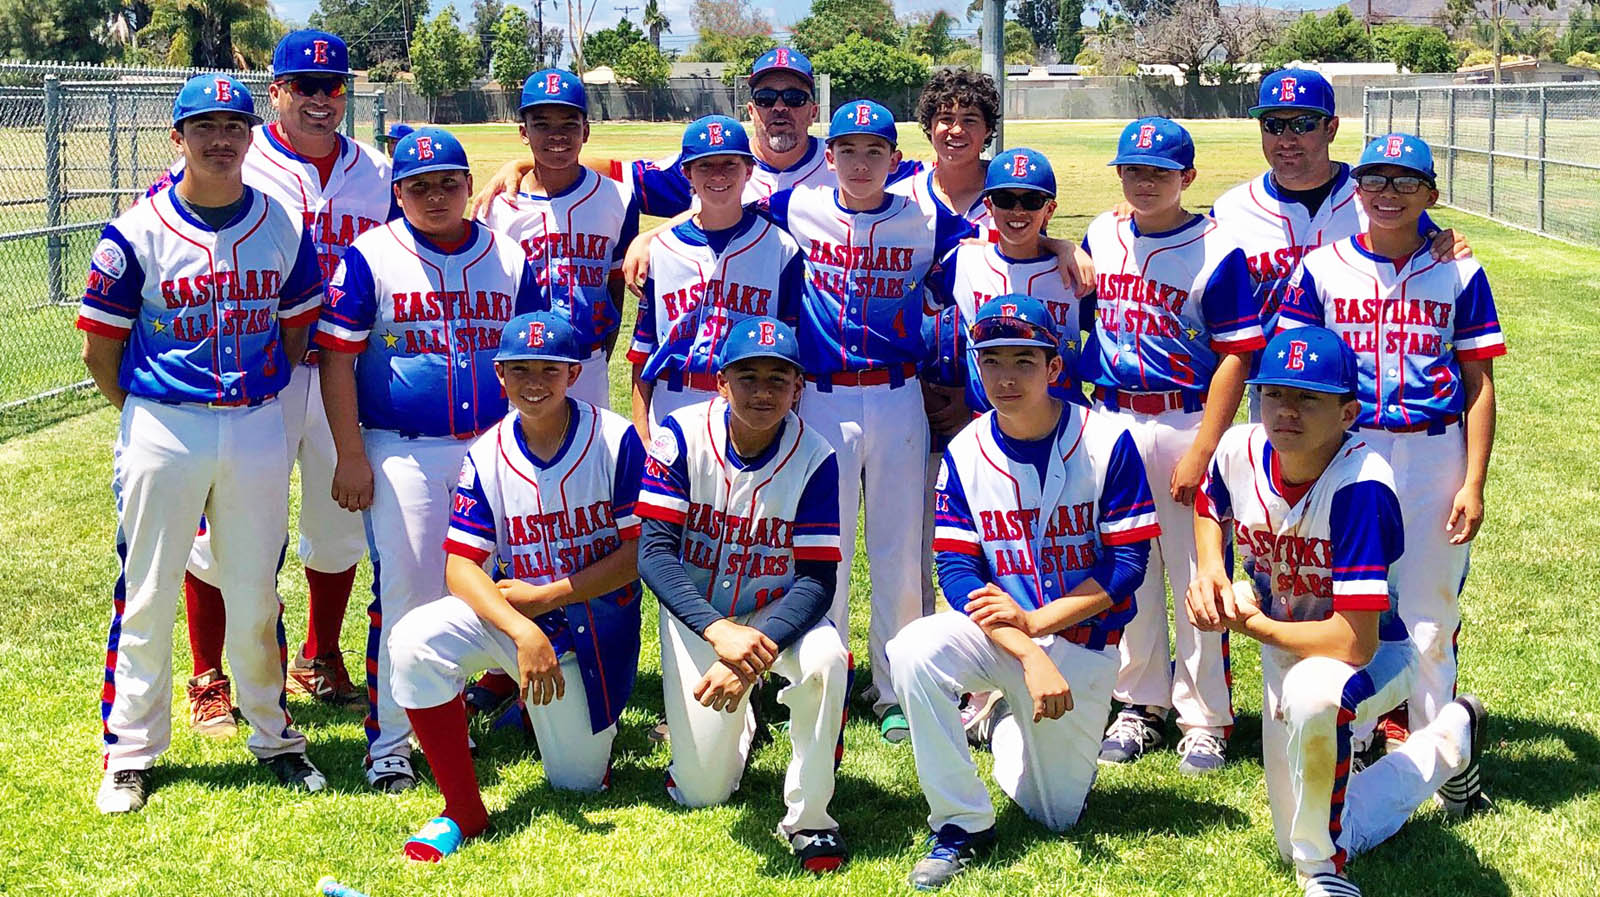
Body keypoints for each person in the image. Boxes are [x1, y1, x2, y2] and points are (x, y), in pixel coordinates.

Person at [78, 74, 329, 812]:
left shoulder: (282, 223)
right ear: (177, 136)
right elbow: (99, 348)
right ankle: (130, 752)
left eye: (234, 126)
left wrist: (252, 399)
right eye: (205, 127)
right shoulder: (137, 231)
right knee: (148, 592)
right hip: (165, 419)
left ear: (251, 135)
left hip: (253, 420)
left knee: (255, 592)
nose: (221, 140)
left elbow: (295, 329)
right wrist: (150, 415)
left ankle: (275, 734)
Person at [1188, 325, 1492, 897]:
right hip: (1288, 638)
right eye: (1274, 393)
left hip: (1373, 655)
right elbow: (1210, 499)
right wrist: (1210, 568)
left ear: (1348, 412)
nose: (1287, 410)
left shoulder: (1362, 484)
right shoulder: (1240, 448)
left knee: (1315, 698)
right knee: (1303, 827)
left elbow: (1354, 642)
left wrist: (1251, 623)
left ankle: (1323, 870)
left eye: (1309, 397)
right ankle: (1450, 741)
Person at [152, 30, 394, 731]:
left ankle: (319, 655)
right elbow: (162, 219)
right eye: (304, 86)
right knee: (222, 527)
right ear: (277, 92)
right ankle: (208, 675)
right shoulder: (239, 157)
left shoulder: (377, 172)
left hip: (344, 369)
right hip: (259, 370)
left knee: (340, 521)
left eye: (333, 86)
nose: (320, 99)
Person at [888, 296, 1158, 890]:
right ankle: (960, 822)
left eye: (1024, 361)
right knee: (912, 649)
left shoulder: (1107, 440)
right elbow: (956, 572)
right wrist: (1029, 649)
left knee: (1054, 814)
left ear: (1054, 367)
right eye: (992, 361)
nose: (1006, 378)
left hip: (1080, 642)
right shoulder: (965, 451)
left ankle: (999, 723)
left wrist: (1039, 625)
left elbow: (1127, 565)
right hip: (1001, 639)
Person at [315, 127, 540, 792]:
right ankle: (390, 740)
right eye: (418, 186)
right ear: (398, 192)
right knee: (408, 592)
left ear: (469, 185)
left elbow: (536, 356)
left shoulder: (507, 255)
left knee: (485, 587)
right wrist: (350, 453)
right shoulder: (370, 256)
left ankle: (451, 713)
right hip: (401, 447)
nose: (435, 196)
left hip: (493, 446)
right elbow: (336, 360)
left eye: (447, 183)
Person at [386, 311, 645, 861]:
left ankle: (544, 712)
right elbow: (461, 566)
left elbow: (639, 554)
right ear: (499, 374)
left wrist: (548, 597)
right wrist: (523, 630)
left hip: (592, 632)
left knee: (577, 782)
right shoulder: (487, 451)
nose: (534, 382)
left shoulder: (615, 438)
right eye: (520, 369)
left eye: (549, 369)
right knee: (412, 640)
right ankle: (462, 808)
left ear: (573, 374)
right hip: (519, 623)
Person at [1276, 133, 1504, 741]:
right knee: (1349, 598)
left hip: (1433, 450)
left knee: (1430, 609)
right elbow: (1295, 372)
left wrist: (1473, 482)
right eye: (1375, 179)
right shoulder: (1322, 268)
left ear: (1431, 194)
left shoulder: (1459, 270)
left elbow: (1479, 383)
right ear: (1357, 189)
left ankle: (1433, 747)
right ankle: (1348, 735)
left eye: (1407, 182)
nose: (1389, 193)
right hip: (1348, 448)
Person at [1083, 117, 1266, 775]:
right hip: (1112, 417)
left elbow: (1237, 355)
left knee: (1198, 572)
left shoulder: (1219, 247)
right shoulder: (1102, 232)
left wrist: (1204, 449)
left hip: (1184, 417)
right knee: (1127, 565)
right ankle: (1140, 702)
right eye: (1132, 169)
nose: (1144, 182)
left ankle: (1205, 716)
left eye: (1159, 171)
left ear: (1187, 177)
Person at [635, 317, 851, 873]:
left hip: (775, 610)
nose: (762, 391)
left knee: (827, 659)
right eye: (747, 376)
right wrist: (717, 631)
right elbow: (653, 553)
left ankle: (810, 819)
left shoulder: (817, 455)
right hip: (698, 611)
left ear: (798, 389)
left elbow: (818, 580)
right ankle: (739, 726)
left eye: (778, 379)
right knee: (702, 791)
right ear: (721, 383)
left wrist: (753, 655)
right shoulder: (681, 436)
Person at [626, 114, 806, 437]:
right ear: (687, 173)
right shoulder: (662, 249)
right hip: (672, 399)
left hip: (745, 402)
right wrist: (642, 432)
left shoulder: (781, 248)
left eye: (730, 164)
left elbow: (789, 352)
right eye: (705, 165)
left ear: (749, 170)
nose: (718, 175)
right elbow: (643, 350)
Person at [478, 69, 640, 410]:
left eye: (569, 123)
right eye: (542, 124)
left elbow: (614, 287)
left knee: (590, 441)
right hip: (518, 362)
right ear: (524, 132)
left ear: (586, 131)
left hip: (587, 359)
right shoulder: (496, 208)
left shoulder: (617, 199)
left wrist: (599, 355)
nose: (557, 135)